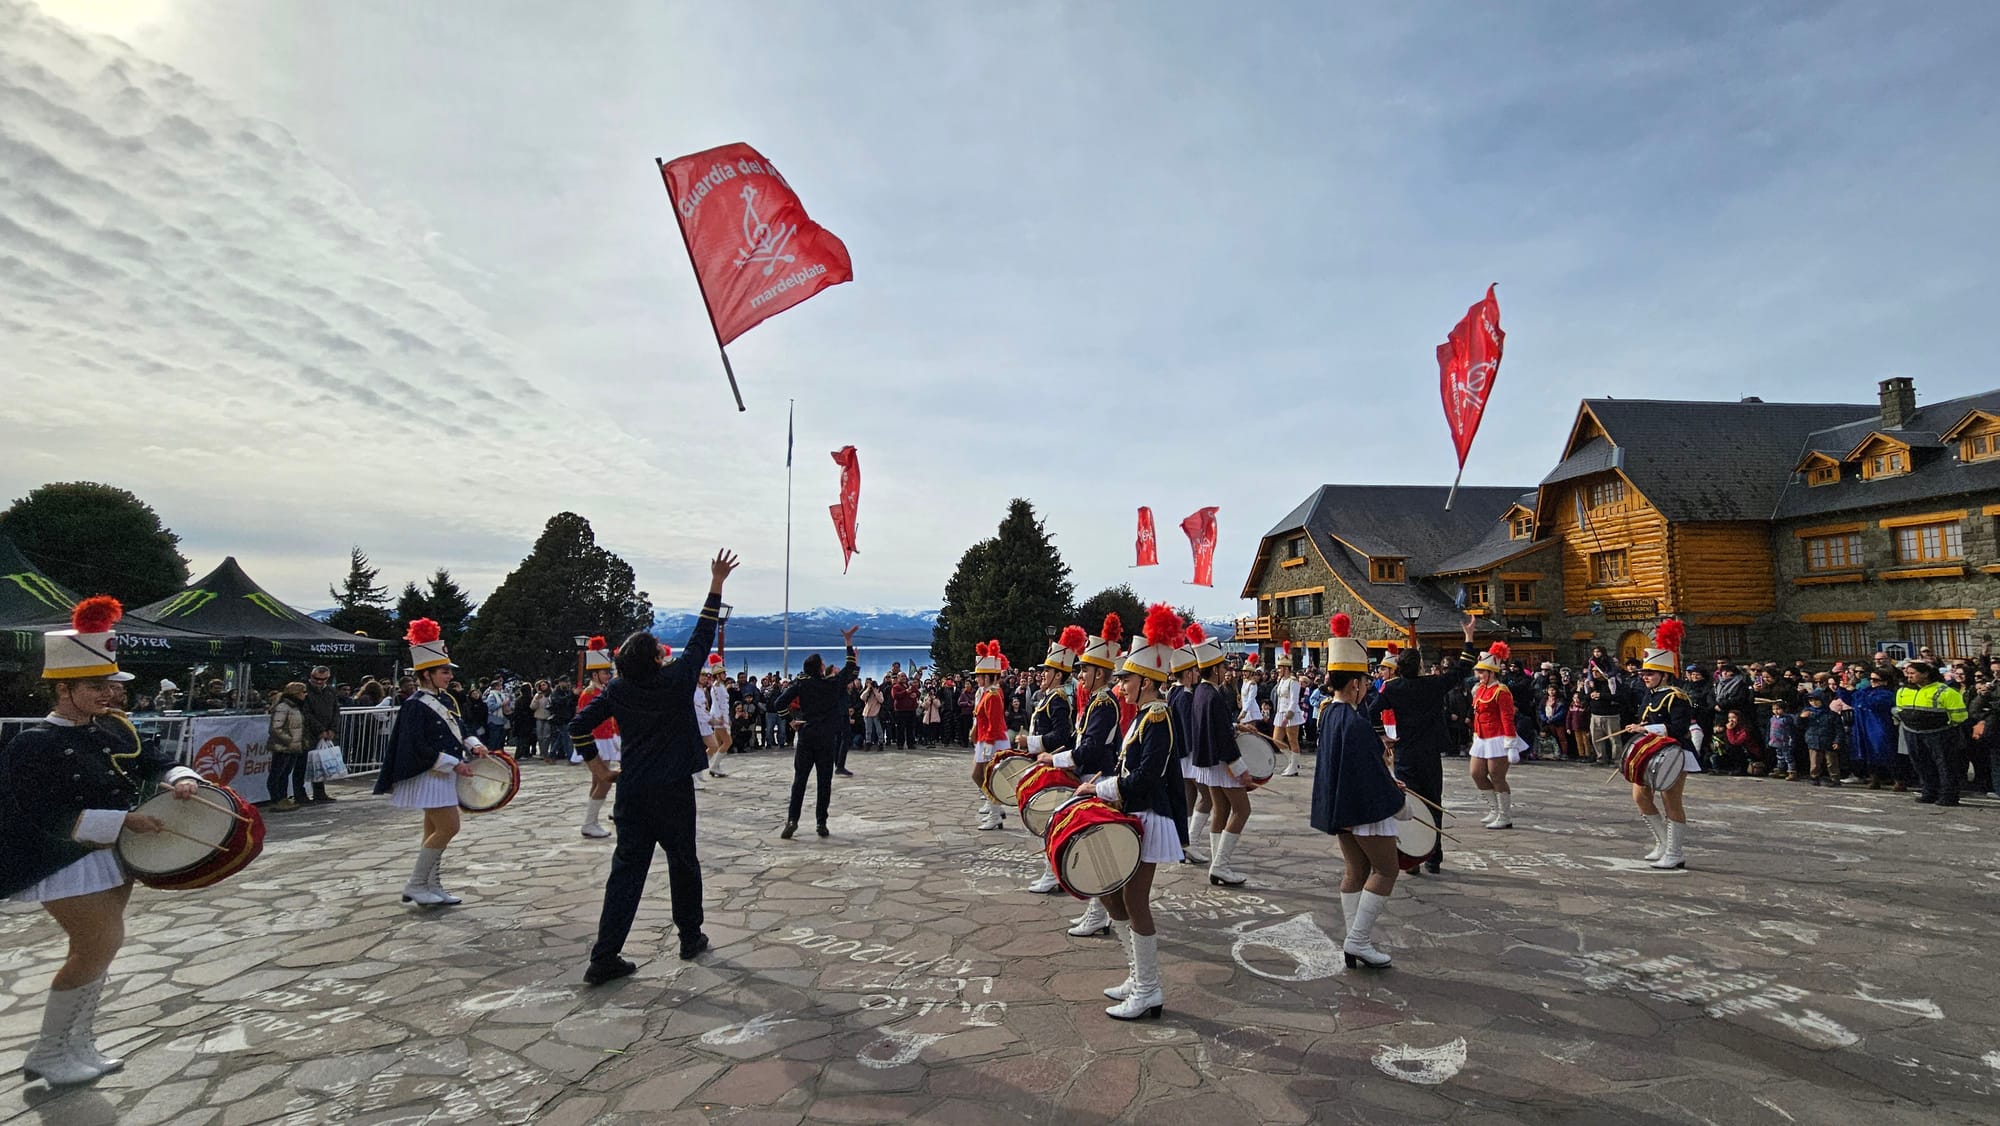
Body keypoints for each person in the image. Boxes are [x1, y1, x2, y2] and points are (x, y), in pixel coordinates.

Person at [0, 597, 204, 1087]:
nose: (110, 694)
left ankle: (77, 1043)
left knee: (102, 950)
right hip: (61, 858)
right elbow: (38, 815)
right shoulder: (33, 744)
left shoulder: (110, 730)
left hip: (109, 856)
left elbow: (152, 761)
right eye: (97, 686)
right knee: (98, 944)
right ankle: (51, 1051)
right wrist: (122, 822)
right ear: (63, 689)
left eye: (110, 684)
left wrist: (180, 777)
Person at [570, 549, 739, 984]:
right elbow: (701, 639)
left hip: (632, 790)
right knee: (683, 861)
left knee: (626, 871)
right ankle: (689, 936)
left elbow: (578, 726)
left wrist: (600, 770)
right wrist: (716, 583)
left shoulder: (618, 692)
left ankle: (604, 955)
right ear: (656, 660)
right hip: (673, 790)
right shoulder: (675, 681)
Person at [1071, 605, 1188, 1020]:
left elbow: (1147, 777)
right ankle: (1138, 977)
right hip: (1134, 812)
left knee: (1135, 901)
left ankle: (1150, 989)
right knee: (1112, 893)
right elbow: (1129, 769)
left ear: (1146, 681)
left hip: (1149, 816)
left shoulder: (1158, 717)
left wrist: (1100, 787)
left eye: (1126, 679)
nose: (1119, 684)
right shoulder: (1142, 716)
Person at [1309, 612, 1406, 970]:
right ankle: (1358, 940)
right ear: (1354, 685)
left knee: (1355, 870)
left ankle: (1355, 940)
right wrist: (1396, 795)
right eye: (1364, 680)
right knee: (1386, 869)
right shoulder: (1355, 721)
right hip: (1364, 809)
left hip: (1341, 807)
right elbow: (1368, 774)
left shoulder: (1329, 715)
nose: (1367, 686)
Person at [374, 619, 488, 907]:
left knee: (433, 830)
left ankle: (431, 884)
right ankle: (415, 884)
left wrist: (474, 745)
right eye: (444, 671)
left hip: (442, 773)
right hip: (430, 773)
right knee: (449, 827)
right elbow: (416, 746)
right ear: (427, 675)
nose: (449, 676)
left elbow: (459, 728)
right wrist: (454, 763)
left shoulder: (446, 700)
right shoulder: (415, 704)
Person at [1369, 614, 1478, 874]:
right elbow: (1462, 669)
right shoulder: (1433, 685)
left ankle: (1412, 857)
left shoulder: (1392, 688)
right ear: (1419, 666)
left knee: (1409, 806)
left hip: (1405, 751)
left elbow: (1372, 711)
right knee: (1432, 803)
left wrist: (1382, 734)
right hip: (1429, 752)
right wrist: (1469, 638)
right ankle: (1434, 857)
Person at [1041, 614, 1124, 937]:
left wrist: (1056, 758)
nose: (1081, 675)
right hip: (1090, 777)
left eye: (1085, 669)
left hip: (1097, 779)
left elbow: (1088, 749)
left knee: (1096, 847)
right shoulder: (1095, 701)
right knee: (1092, 846)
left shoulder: (1103, 703)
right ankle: (1097, 912)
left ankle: (1098, 913)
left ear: (1099, 672)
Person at [1621, 621, 1701, 870]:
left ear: (1664, 675)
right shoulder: (1650, 694)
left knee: (1671, 801)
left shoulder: (1677, 697)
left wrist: (1645, 728)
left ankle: (1675, 851)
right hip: (1650, 752)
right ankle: (1662, 843)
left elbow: (1678, 729)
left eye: (1650, 674)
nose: (1645, 677)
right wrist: (1638, 727)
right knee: (1640, 797)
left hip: (1675, 753)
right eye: (1643, 674)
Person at [771, 627, 861, 839]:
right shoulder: (832, 685)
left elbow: (779, 703)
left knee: (800, 780)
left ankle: (792, 820)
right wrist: (849, 644)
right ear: (821, 668)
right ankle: (821, 823)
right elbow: (849, 669)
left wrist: (790, 720)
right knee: (824, 782)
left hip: (806, 735)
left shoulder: (802, 684)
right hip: (826, 738)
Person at [1019, 625, 1086, 893]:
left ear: (1058, 675)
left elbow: (1063, 734)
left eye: (1046, 671)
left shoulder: (1057, 699)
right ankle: (1051, 873)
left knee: (1049, 822)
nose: (1041, 675)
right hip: (1045, 763)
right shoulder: (1050, 697)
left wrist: (1032, 742)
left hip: (1053, 766)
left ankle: (1053, 874)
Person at [1189, 621, 1253, 886]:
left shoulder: (1200, 692)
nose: (1227, 670)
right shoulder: (1213, 696)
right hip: (1222, 762)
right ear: (1214, 668)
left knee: (1221, 809)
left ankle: (1218, 864)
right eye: (1224, 666)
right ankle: (1220, 865)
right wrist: (1240, 769)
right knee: (1242, 809)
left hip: (1208, 762)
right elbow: (1223, 739)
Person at [1896, 660, 1969, 806]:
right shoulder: (1903, 690)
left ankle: (1949, 796)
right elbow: (1899, 709)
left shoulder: (1944, 691)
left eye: (1912, 673)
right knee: (1921, 764)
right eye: (1907, 673)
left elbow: (1960, 715)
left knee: (1945, 765)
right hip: (1913, 732)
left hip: (1939, 733)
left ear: (1925, 674)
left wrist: (1949, 726)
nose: (1909, 676)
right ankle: (1929, 792)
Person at [1468, 641, 1518, 829]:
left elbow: (1507, 717)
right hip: (1481, 736)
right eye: (1478, 671)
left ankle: (1505, 815)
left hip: (1498, 737)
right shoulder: (1480, 690)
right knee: (1476, 773)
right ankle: (1494, 809)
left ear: (1491, 672)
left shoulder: (1501, 691)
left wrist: (1510, 743)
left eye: (1482, 672)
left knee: (1497, 776)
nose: (1478, 675)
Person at [574, 638, 620, 838]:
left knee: (598, 783)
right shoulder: (589, 693)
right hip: (597, 741)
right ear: (594, 674)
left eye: (609, 672)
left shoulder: (601, 691)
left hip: (606, 739)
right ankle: (589, 822)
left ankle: (591, 821)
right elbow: (583, 720)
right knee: (604, 782)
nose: (608, 675)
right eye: (604, 673)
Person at [969, 641, 1011, 831]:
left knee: (984, 776)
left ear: (987, 677)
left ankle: (995, 813)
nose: (976, 679)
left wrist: (987, 746)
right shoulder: (988, 693)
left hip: (991, 741)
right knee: (982, 776)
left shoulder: (993, 695)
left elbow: (994, 723)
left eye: (979, 676)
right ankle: (994, 807)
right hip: (986, 740)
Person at [265, 681, 310, 812]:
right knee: (277, 773)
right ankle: (276, 799)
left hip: (293, 746)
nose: (305, 695)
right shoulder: (283, 707)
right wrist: (290, 740)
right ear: (296, 693)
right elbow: (276, 728)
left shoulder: (296, 707)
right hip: (283, 746)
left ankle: (283, 798)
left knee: (285, 773)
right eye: (303, 692)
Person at [302, 665, 341, 803]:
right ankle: (301, 795)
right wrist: (320, 730)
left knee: (320, 764)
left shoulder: (330, 691)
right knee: (305, 764)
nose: (319, 682)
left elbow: (336, 711)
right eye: (316, 678)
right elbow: (306, 713)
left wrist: (332, 730)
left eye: (323, 679)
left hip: (327, 730)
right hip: (311, 734)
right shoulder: (305, 690)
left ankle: (320, 793)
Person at [1272, 645, 1304, 776]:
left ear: (1286, 668)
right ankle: (1292, 761)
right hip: (1281, 712)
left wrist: (1289, 714)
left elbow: (1294, 699)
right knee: (1276, 739)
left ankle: (1294, 767)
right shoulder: (1281, 681)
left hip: (1291, 714)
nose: (1278, 670)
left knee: (1292, 740)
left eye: (1280, 668)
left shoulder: (1293, 681)